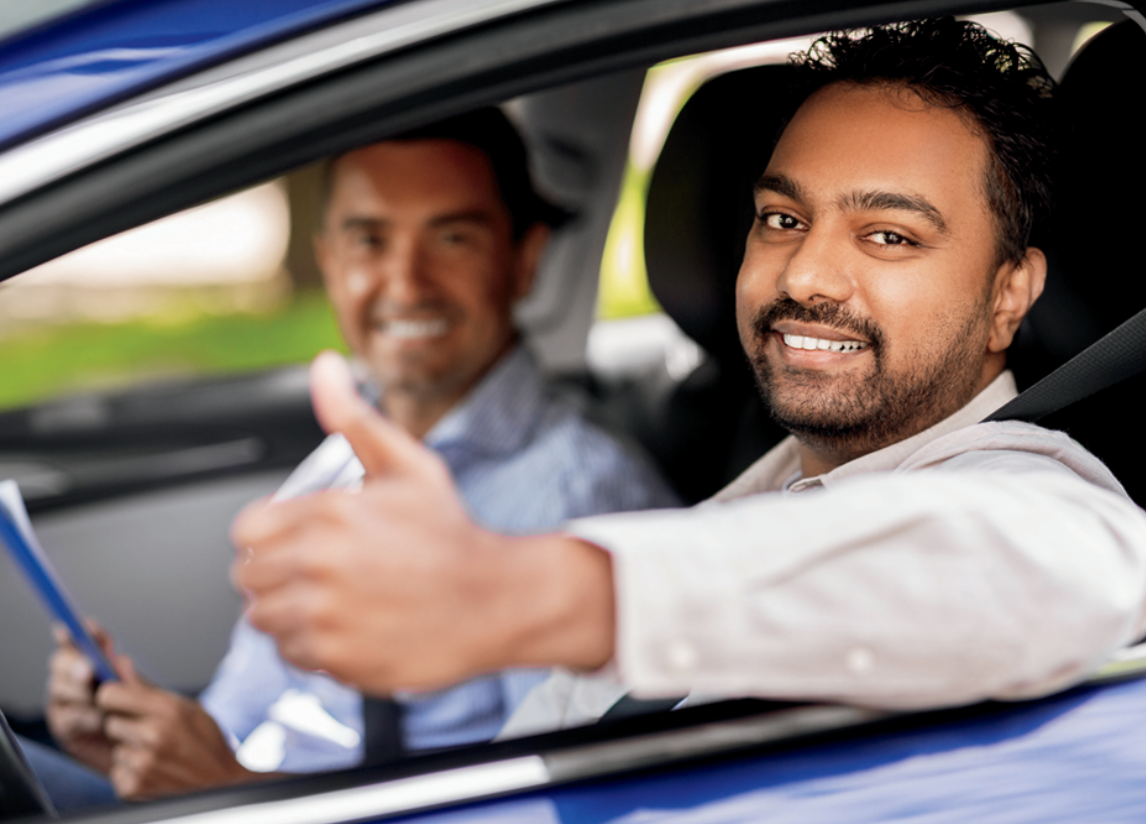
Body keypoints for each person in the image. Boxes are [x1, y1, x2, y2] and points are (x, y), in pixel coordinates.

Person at [230, 18, 1146, 734]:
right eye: (781, 219)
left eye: (889, 236)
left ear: (1010, 293)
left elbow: (1059, 565)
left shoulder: (1035, 498)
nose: (805, 274)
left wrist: (523, 593)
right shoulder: (740, 511)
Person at [43, 108, 680, 800]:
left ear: (523, 261)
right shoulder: (340, 458)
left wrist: (235, 787)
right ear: (330, 260)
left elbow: (553, 806)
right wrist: (137, 746)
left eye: (452, 238)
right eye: (370, 240)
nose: (405, 284)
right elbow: (240, 714)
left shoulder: (580, 499)